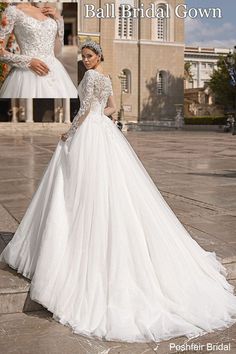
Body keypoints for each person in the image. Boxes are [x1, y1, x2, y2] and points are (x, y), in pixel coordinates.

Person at [1, 40, 236, 344]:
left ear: (98, 56)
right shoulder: (108, 77)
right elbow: (111, 106)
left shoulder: (89, 77)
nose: (85, 60)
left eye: (88, 56)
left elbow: (84, 110)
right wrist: (103, 118)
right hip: (105, 133)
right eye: (83, 57)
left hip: (88, 133)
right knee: (111, 188)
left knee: (77, 189)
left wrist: (70, 131)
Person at [0, 2, 77, 98]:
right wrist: (28, 61)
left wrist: (59, 19)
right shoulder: (13, 12)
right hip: (27, 75)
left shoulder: (47, 11)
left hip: (55, 73)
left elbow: (58, 52)